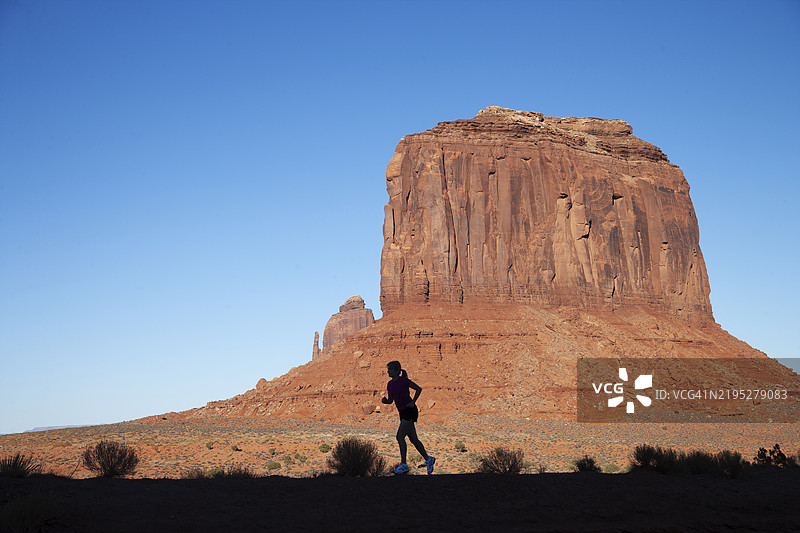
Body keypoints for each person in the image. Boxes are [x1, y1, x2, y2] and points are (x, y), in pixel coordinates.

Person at [381, 360, 435, 474]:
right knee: (413, 439)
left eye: (390, 369)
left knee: (399, 436)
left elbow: (418, 389)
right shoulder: (390, 384)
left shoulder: (404, 381)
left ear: (396, 370)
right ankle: (428, 459)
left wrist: (413, 402)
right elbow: (391, 400)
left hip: (410, 410)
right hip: (402, 412)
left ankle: (403, 464)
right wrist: (385, 401)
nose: (387, 371)